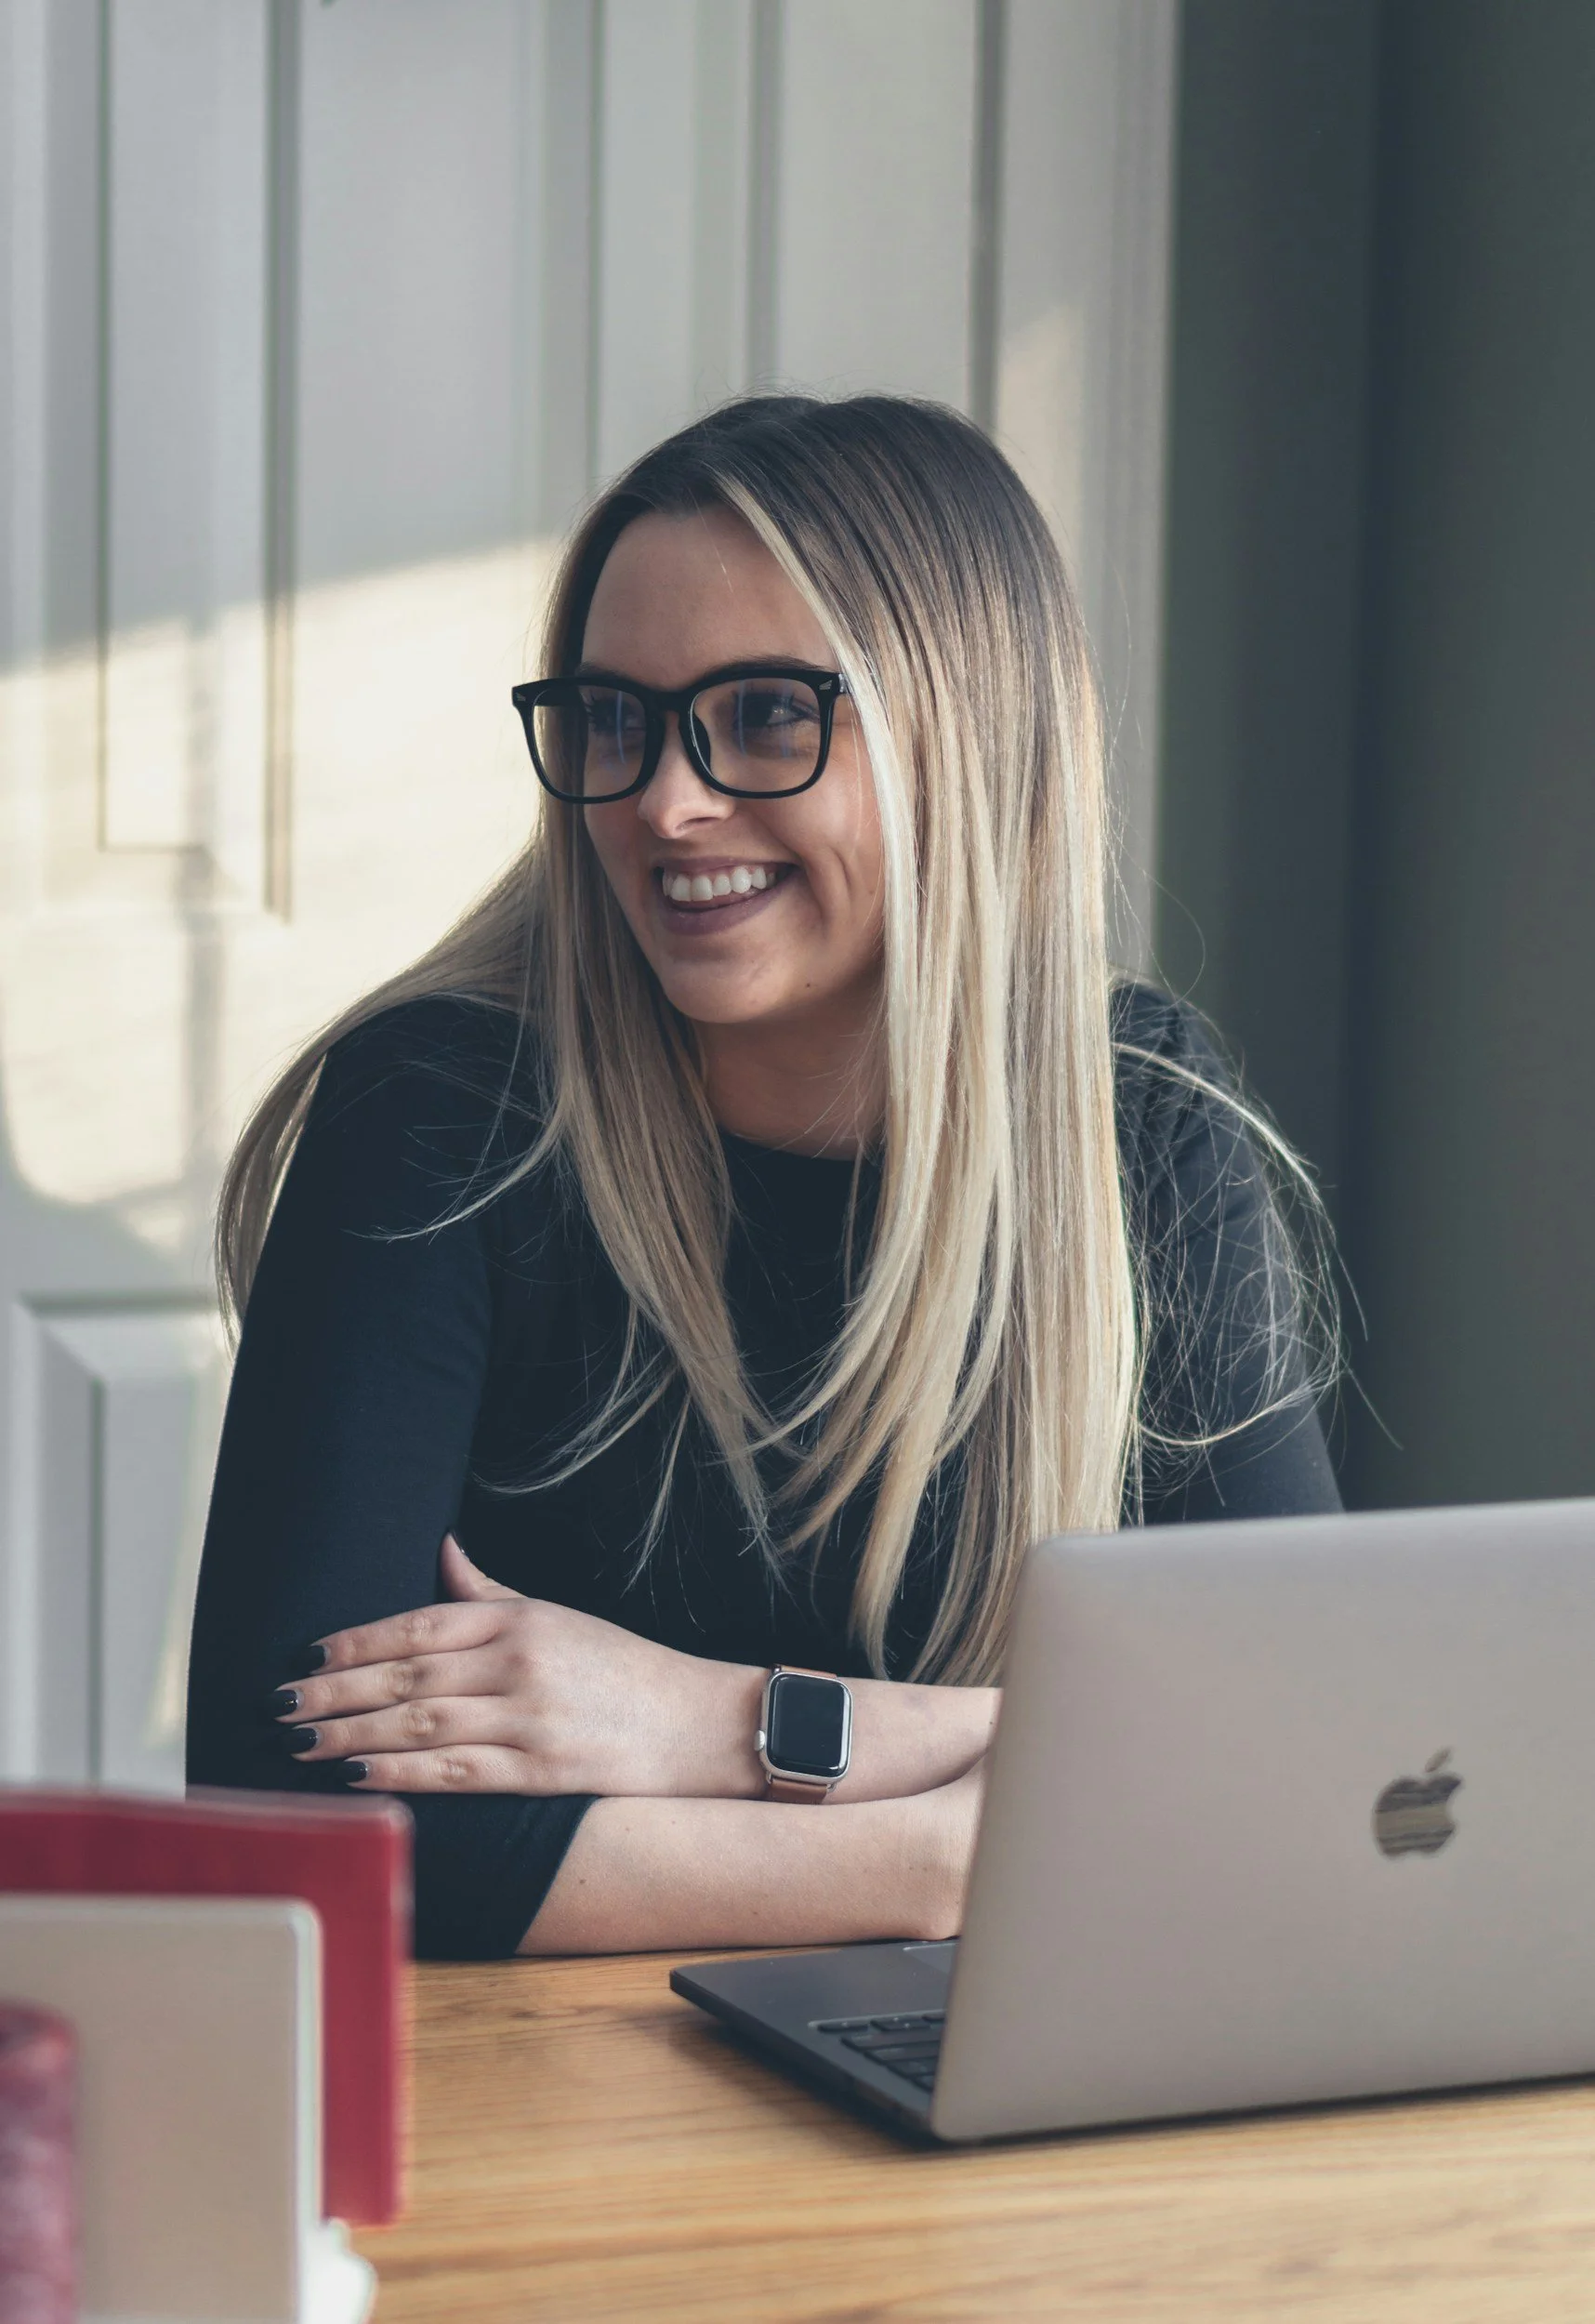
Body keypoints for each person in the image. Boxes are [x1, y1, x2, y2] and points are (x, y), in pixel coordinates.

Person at [185, 394, 1339, 1961]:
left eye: (766, 714)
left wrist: (712, 1724)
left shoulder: (1140, 1123)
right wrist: (941, 1859)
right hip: (550, 2111)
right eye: (612, 718)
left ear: (965, 726)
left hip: (1009, 2083)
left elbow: (1293, 1762)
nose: (665, 801)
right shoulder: (438, 1114)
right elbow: (292, 1815)